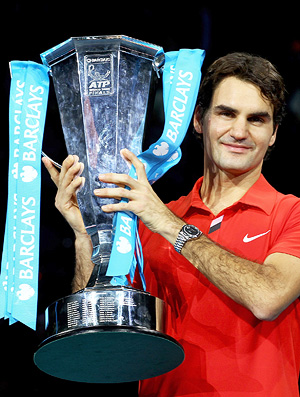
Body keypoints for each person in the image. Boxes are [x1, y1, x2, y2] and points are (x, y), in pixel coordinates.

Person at [42, 52, 300, 396]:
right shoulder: (148, 219)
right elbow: (100, 332)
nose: (239, 131)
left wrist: (168, 223)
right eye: (226, 113)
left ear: (273, 134)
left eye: (257, 119)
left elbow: (268, 297)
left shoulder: (292, 213)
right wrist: (86, 235)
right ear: (199, 120)